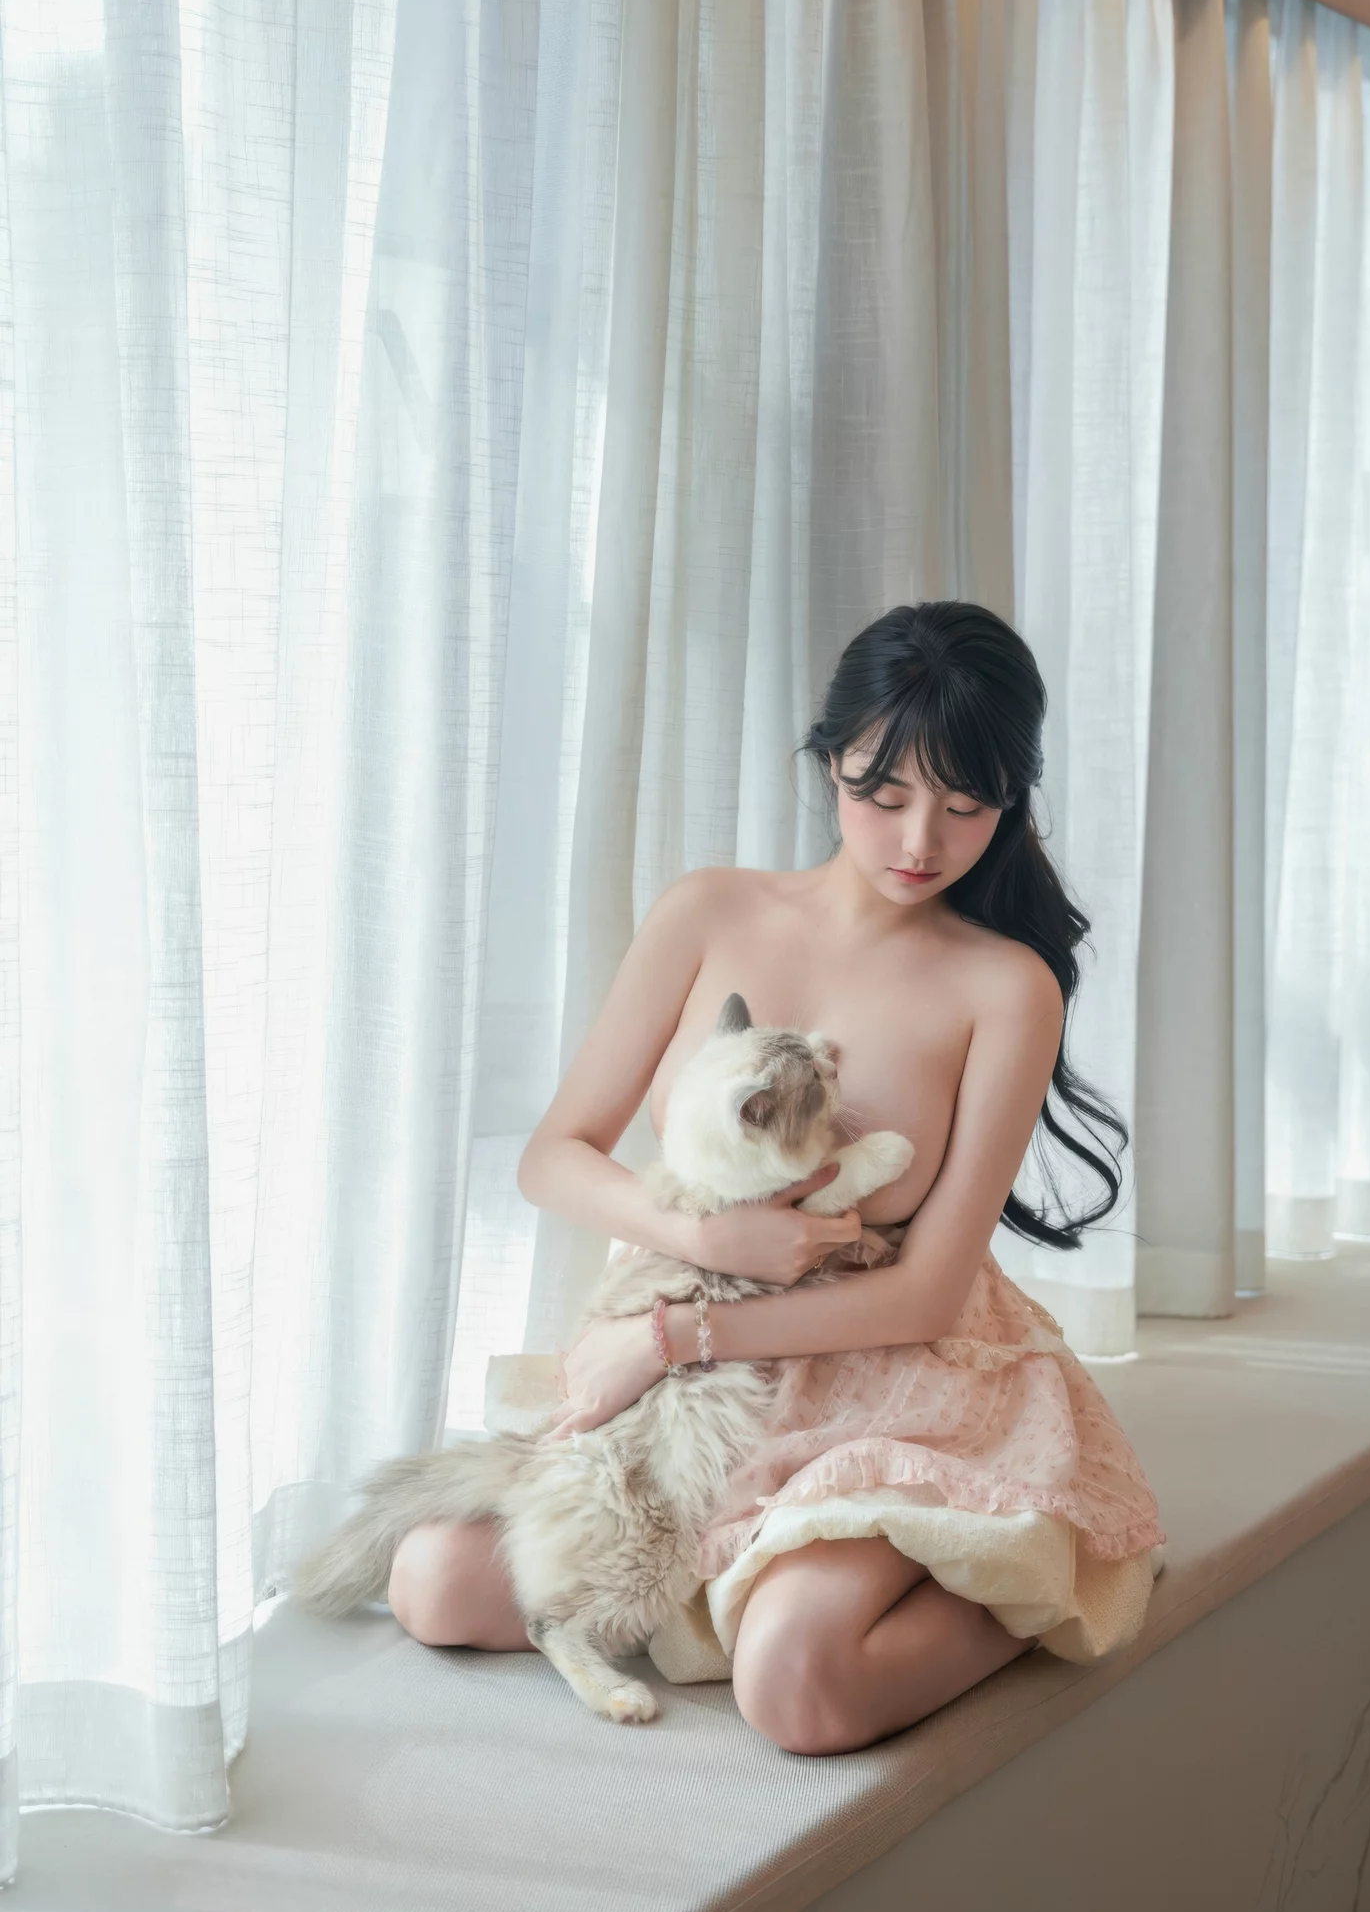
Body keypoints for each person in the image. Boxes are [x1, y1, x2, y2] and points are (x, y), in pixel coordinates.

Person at [387, 602, 1162, 1752]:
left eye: (966, 805)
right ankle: (733, 1579)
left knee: (797, 1687)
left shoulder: (1007, 987)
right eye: (882, 793)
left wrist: (670, 1339)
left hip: (888, 1372)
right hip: (693, 1377)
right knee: (435, 1584)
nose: (919, 840)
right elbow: (556, 1155)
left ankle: (1036, 1570)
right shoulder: (710, 911)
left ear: (1012, 799)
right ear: (827, 760)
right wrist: (704, 1247)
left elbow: (926, 1294)